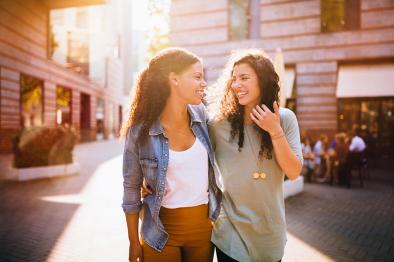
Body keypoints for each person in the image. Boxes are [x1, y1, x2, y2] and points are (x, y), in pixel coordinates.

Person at [121, 47, 222, 262]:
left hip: (204, 230)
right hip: (159, 233)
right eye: (197, 77)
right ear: (174, 79)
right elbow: (130, 187)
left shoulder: (203, 116)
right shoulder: (140, 131)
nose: (204, 83)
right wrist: (132, 242)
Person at [208, 49, 303, 262]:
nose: (236, 84)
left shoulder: (285, 119)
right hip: (229, 232)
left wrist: (275, 131)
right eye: (233, 79)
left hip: (270, 234)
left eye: (244, 78)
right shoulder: (218, 124)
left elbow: (294, 171)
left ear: (263, 79)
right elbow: (194, 155)